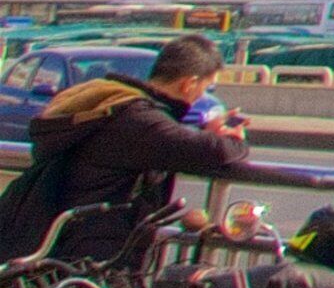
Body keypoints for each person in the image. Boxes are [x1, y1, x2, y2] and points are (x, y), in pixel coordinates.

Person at [0, 34, 252, 263]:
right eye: (206, 87)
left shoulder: (116, 108)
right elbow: (212, 152)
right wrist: (235, 138)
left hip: (67, 240)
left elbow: (167, 140)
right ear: (189, 84)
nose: (203, 96)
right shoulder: (138, 119)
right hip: (98, 251)